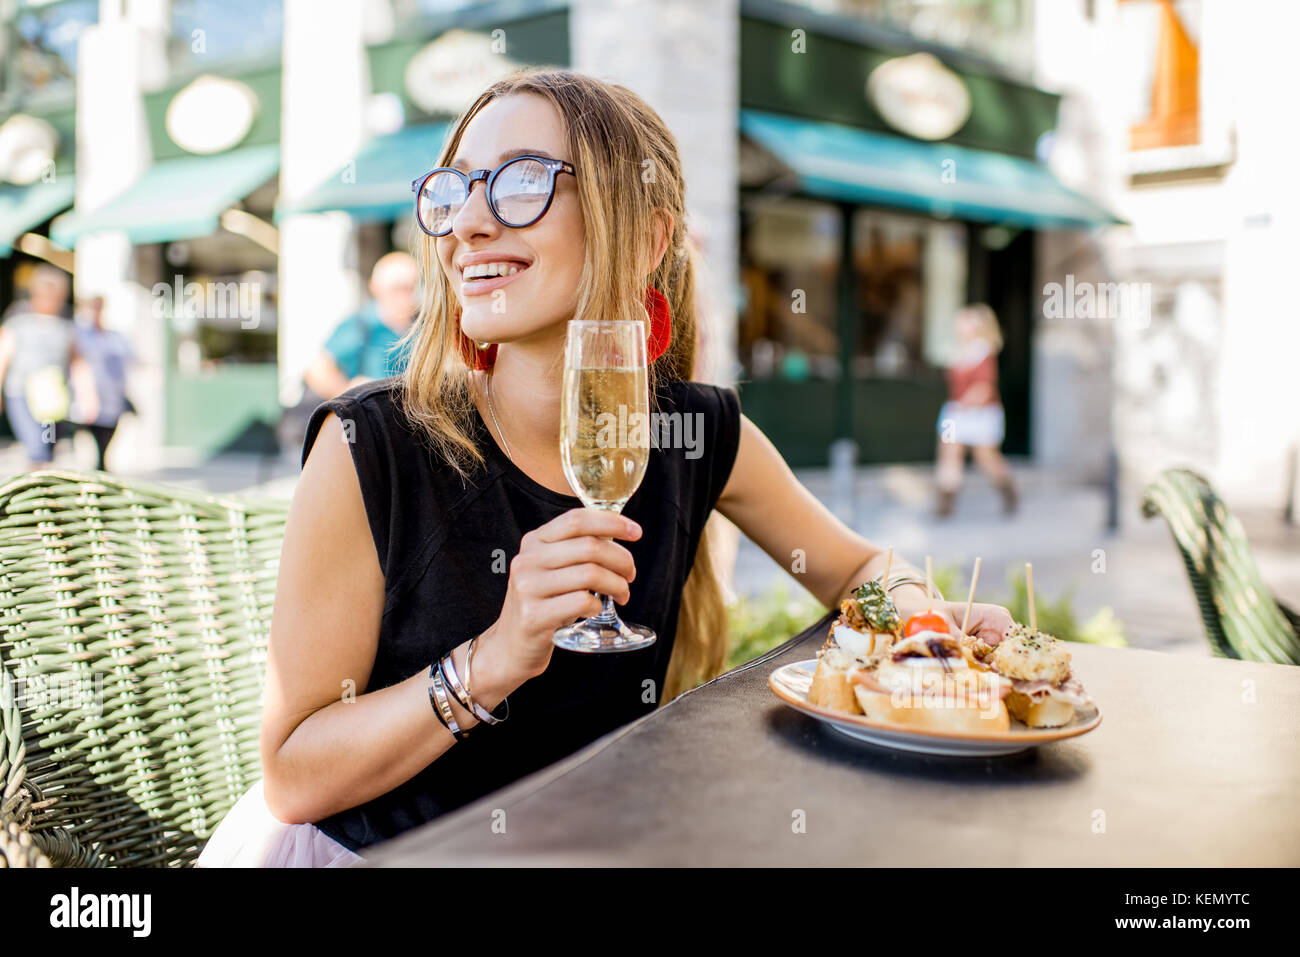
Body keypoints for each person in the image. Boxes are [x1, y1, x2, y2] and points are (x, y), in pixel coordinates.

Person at [196, 69, 1015, 868]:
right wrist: (494, 658)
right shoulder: (372, 445)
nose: (469, 224)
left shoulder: (694, 430)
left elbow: (861, 566)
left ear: (647, 238)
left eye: (521, 184)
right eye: (454, 189)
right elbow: (292, 774)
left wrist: (926, 625)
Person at [0, 265, 98, 471]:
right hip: (21, 393)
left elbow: (77, 360)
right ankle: (39, 490)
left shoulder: (66, 322)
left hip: (54, 396)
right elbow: (3, 354)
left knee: (50, 445)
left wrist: (87, 393)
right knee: (37, 447)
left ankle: (43, 487)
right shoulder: (18, 319)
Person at [934, 303, 1018, 517]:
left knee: (986, 458)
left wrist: (966, 404)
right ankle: (945, 504)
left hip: (980, 415)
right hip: (956, 414)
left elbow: (983, 388)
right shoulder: (960, 351)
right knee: (950, 455)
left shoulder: (983, 352)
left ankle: (1008, 492)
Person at [302, 251, 418, 400]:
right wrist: (351, 397)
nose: (404, 296)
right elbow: (318, 371)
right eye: (396, 289)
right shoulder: (360, 325)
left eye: (410, 288)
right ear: (375, 288)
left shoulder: (421, 327)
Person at [71, 296, 134, 472]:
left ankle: (101, 470)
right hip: (85, 399)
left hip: (112, 398)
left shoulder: (116, 337)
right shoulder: (78, 335)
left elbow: (130, 360)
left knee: (105, 444)